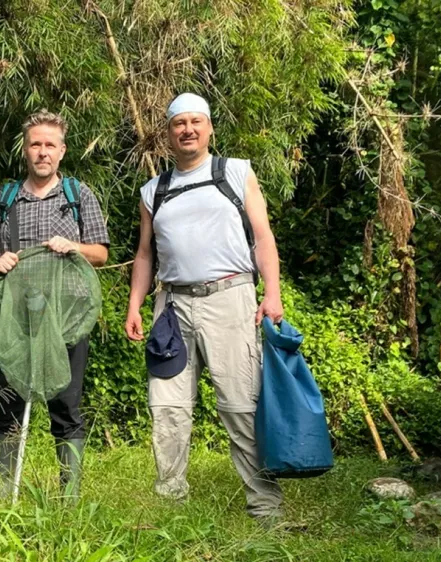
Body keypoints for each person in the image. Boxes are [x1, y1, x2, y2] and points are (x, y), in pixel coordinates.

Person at [124, 93, 285, 525]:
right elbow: (144, 255)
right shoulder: (152, 190)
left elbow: (263, 237)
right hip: (170, 306)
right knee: (168, 408)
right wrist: (135, 305)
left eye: (196, 121)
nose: (188, 129)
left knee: (240, 406)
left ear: (210, 127)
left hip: (231, 299)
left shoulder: (235, 172)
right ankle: (169, 504)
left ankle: (265, 508)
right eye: (179, 123)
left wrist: (272, 292)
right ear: (168, 133)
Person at [0, 109, 109, 499]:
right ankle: (1, 495)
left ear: (62, 151)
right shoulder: (3, 198)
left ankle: (70, 500)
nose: (42, 152)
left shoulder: (79, 196)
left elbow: (100, 253)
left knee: (66, 407)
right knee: (9, 406)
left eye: (50, 145)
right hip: (14, 321)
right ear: (25, 150)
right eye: (35, 144)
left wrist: (74, 247)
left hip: (67, 321)